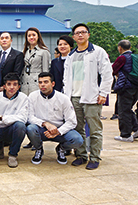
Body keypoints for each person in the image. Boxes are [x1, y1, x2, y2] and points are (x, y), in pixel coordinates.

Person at [63, 23, 112, 170]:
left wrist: (103, 93)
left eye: (83, 32)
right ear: (74, 37)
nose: (80, 35)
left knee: (94, 129)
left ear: (88, 35)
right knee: (78, 128)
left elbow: (107, 74)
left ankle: (95, 157)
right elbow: (66, 78)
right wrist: (67, 97)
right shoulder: (71, 55)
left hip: (92, 97)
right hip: (74, 97)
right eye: (77, 33)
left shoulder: (97, 51)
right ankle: (81, 155)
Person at [26, 72, 83, 165]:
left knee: (77, 140)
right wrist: (45, 123)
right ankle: (39, 149)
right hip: (41, 130)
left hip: (59, 131)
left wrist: (58, 131)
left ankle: (61, 149)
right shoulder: (32, 96)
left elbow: (72, 121)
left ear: (53, 84)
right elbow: (29, 117)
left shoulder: (63, 98)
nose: (42, 85)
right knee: (30, 128)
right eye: (40, 82)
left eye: (45, 82)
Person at [0, 73, 28, 168]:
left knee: (20, 126)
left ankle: (13, 155)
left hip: (11, 130)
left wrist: (1, 118)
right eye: (9, 84)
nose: (11, 87)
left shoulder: (23, 98)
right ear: (4, 86)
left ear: (19, 86)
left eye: (15, 84)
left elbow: (23, 118)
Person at [112, 40, 138, 142]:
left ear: (120, 48)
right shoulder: (135, 57)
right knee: (128, 109)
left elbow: (113, 69)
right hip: (136, 86)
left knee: (123, 110)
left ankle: (125, 135)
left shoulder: (122, 58)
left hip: (126, 87)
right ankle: (136, 128)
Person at [20, 27, 51, 96]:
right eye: (29, 36)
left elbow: (45, 71)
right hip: (25, 85)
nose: (31, 37)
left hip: (36, 84)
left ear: (38, 37)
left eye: (34, 35)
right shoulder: (25, 52)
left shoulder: (44, 51)